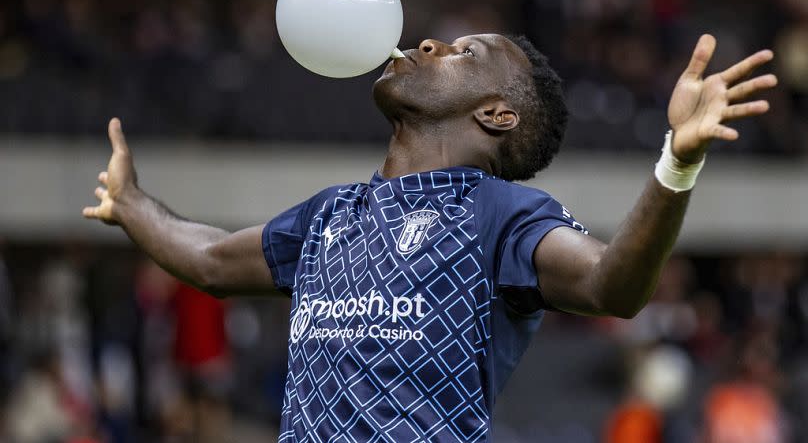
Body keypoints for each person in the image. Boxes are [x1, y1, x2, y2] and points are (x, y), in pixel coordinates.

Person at [83, 33, 776, 442]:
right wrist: (131, 202)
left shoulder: (501, 214)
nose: (426, 44)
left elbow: (609, 285)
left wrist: (676, 161)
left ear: (497, 114)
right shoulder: (330, 215)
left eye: (463, 52)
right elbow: (207, 257)